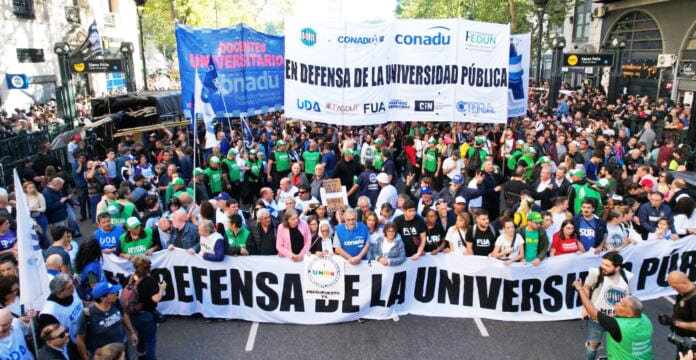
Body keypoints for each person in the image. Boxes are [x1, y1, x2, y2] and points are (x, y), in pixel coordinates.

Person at [574, 272, 651, 359]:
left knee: (592, 344)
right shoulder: (645, 320)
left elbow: (592, 311)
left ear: (629, 314)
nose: (616, 304)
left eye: (621, 305)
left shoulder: (616, 325)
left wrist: (580, 288)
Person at [581, 252, 634, 360]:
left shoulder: (627, 277)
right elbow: (586, 287)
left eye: (607, 265)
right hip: (597, 319)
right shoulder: (595, 273)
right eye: (603, 264)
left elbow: (629, 297)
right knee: (593, 345)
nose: (603, 267)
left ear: (617, 267)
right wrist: (585, 308)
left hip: (617, 321)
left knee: (617, 346)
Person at [76, 282, 138, 360]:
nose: (116, 293)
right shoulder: (87, 314)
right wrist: (85, 358)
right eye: (112, 293)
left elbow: (124, 315)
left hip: (121, 347)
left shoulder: (116, 302)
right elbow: (80, 339)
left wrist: (132, 332)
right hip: (105, 356)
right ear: (103, 298)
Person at [128, 256, 165, 360]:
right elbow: (156, 298)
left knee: (141, 334)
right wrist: (162, 289)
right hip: (146, 315)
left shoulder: (131, 278)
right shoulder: (149, 281)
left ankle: (141, 355)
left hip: (133, 313)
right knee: (151, 340)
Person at [38, 273, 84, 358]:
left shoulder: (72, 292)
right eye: (69, 287)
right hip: (72, 347)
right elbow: (53, 339)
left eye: (72, 284)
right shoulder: (49, 312)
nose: (73, 286)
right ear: (59, 293)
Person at [666, 271, 696, 357]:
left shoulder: (694, 300)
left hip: (691, 345)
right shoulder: (683, 294)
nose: (673, 289)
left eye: (674, 287)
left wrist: (675, 322)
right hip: (685, 342)